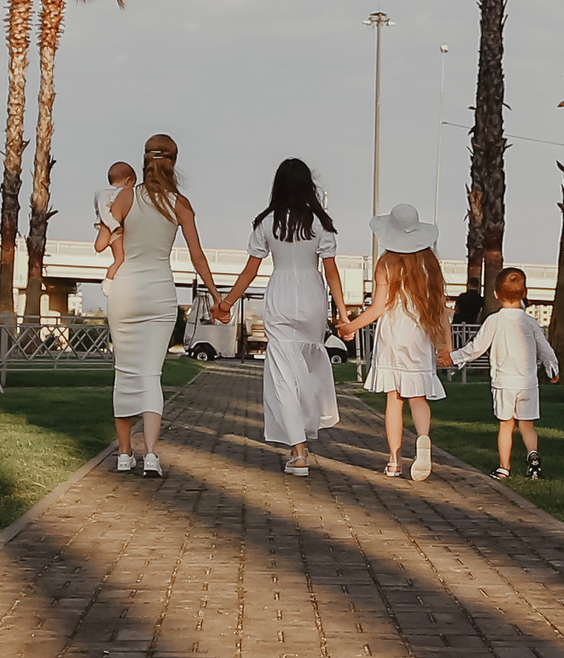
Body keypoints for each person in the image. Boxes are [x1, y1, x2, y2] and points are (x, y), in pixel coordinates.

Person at [215, 158, 347, 476]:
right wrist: (343, 314)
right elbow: (331, 272)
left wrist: (227, 302)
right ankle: (305, 433)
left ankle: (298, 451)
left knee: (284, 379)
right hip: (313, 296)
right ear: (307, 185)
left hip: (281, 296)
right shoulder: (320, 223)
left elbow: (251, 270)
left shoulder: (266, 222)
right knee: (309, 367)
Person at [109, 134, 220, 478]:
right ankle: (152, 454)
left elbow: (106, 237)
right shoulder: (179, 203)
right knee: (150, 375)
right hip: (160, 293)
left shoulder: (125, 197)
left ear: (144, 161)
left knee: (124, 373)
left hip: (125, 291)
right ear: (174, 162)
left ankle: (125, 454)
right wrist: (217, 297)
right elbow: (198, 256)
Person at [335, 203, 451, 481]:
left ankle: (394, 460)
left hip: (393, 336)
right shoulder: (430, 264)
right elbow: (441, 308)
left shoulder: (386, 264)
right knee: (418, 396)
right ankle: (423, 438)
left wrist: (349, 325)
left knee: (394, 398)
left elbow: (377, 309)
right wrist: (445, 346)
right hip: (420, 335)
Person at [449, 266, 560, 480]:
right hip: (528, 382)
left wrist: (454, 358)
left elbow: (476, 348)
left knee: (506, 426)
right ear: (525, 293)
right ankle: (533, 458)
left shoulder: (494, 321)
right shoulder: (530, 322)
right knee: (527, 426)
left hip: (503, 383)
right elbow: (545, 348)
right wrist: (552, 368)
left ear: (496, 294)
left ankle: (503, 468)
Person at [94, 160, 135, 278]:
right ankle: (109, 280)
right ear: (127, 181)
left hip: (110, 227)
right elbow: (104, 211)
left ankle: (110, 279)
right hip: (112, 227)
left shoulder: (102, 192)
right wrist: (114, 226)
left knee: (118, 257)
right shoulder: (108, 193)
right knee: (120, 258)